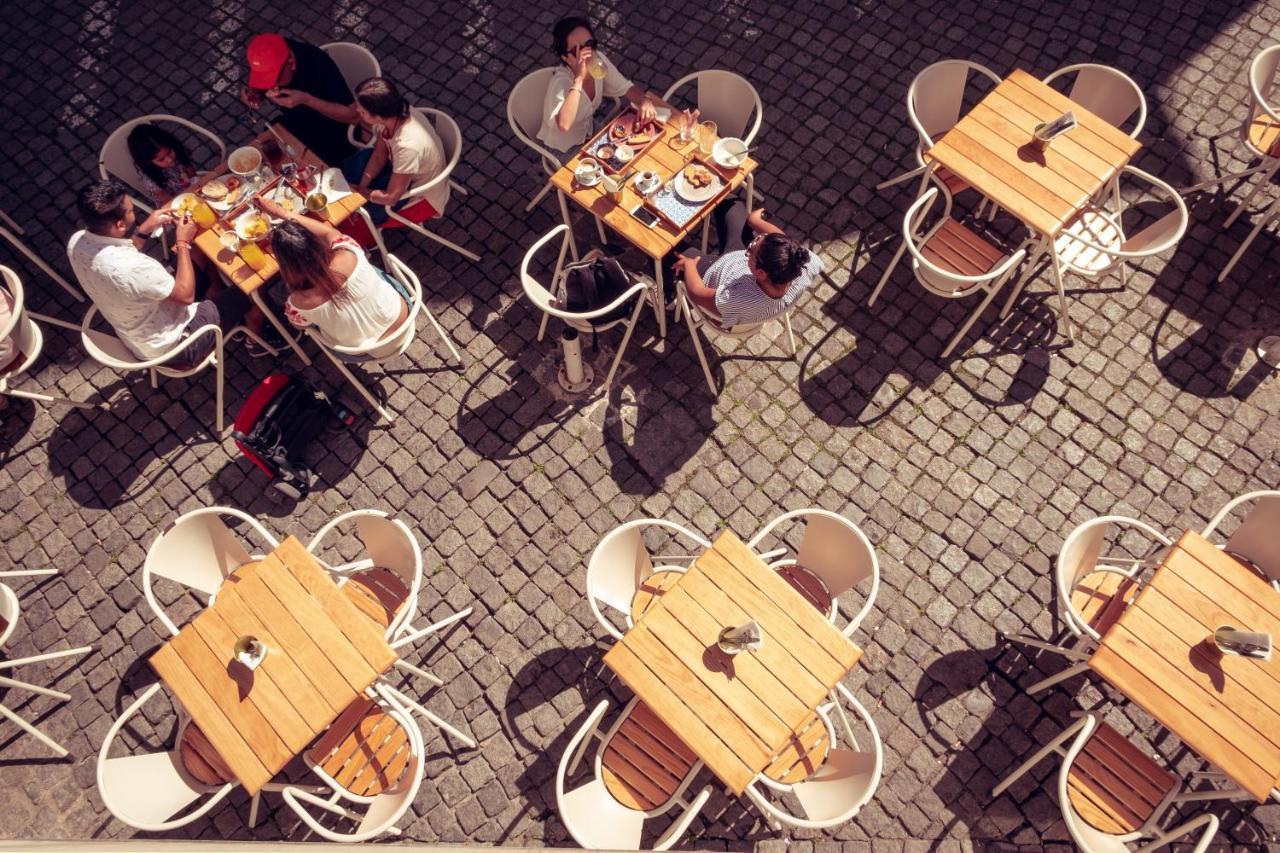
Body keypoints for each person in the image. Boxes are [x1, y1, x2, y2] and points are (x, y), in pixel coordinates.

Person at [67, 180, 253, 364]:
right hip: (177, 345)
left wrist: (144, 230)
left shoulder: (77, 242)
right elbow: (185, 296)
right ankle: (256, 341)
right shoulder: (135, 268)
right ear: (120, 225)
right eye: (131, 210)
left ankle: (219, 300)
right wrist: (182, 242)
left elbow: (121, 256)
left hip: (141, 333)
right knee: (251, 288)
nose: (134, 210)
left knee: (198, 253)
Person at [256, 196, 408, 352]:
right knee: (366, 268)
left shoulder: (296, 302)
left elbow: (300, 325)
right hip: (402, 318)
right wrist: (281, 212)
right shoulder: (349, 252)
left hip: (366, 350)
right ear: (315, 243)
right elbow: (329, 232)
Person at [671, 202, 822, 327]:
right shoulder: (801, 262)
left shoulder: (739, 300)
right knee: (732, 204)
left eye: (751, 251)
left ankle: (669, 292)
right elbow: (783, 243)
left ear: (761, 273)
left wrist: (690, 265)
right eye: (759, 238)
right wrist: (755, 222)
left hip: (713, 271)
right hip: (735, 261)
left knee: (667, 249)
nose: (750, 246)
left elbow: (697, 293)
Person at [536, 15, 661, 153]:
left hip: (588, 130)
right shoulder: (561, 83)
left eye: (589, 45)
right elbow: (564, 125)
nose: (587, 54)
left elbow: (625, 87)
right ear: (565, 57)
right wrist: (578, 80)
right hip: (563, 148)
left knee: (632, 150)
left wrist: (644, 100)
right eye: (577, 50)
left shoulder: (599, 62)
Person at [342, 77, 448, 225]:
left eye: (362, 111)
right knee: (352, 171)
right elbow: (379, 154)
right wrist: (362, 186)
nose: (357, 111)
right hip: (401, 170)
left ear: (377, 115)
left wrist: (360, 193)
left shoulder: (407, 147)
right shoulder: (392, 114)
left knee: (359, 220)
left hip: (419, 196)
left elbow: (391, 198)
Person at [239, 33, 356, 166]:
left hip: (334, 132)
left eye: (274, 79)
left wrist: (307, 100)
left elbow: (353, 116)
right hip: (298, 122)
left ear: (291, 62)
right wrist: (257, 92)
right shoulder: (273, 54)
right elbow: (262, 83)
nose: (271, 86)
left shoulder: (318, 64)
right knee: (268, 152)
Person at [125, 124, 199, 207]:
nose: (169, 160)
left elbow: (191, 171)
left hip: (193, 190)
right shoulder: (150, 180)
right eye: (161, 159)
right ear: (148, 162)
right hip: (176, 204)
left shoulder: (178, 152)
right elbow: (169, 203)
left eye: (169, 152)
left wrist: (195, 182)